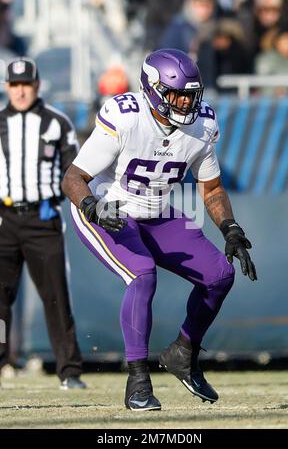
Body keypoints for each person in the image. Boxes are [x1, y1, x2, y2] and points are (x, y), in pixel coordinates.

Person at [62, 49, 257, 411]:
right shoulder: (125, 117)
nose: (185, 101)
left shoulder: (203, 125)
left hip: (155, 210)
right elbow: (73, 178)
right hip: (109, 209)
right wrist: (92, 207)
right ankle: (137, 380)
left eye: (190, 94)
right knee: (142, 275)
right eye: (176, 93)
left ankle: (183, 352)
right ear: (152, 90)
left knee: (219, 275)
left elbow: (211, 188)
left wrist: (229, 226)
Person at [0, 57, 86, 390]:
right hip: (4, 218)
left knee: (55, 296)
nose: (21, 91)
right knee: (0, 298)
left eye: (26, 84)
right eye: (15, 84)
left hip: (43, 218)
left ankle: (69, 370)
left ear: (37, 85)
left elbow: (75, 172)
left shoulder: (57, 123)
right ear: (8, 86)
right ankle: (3, 361)